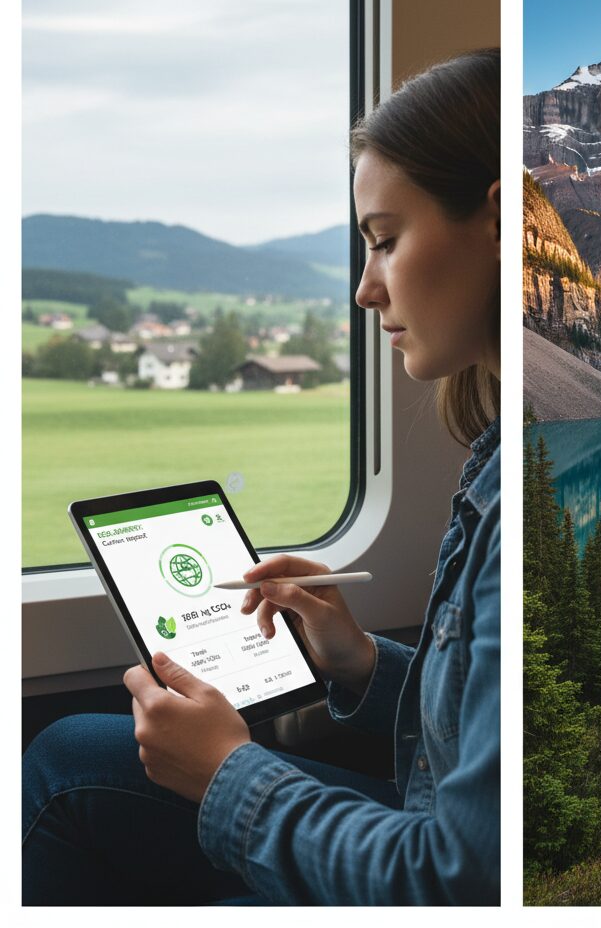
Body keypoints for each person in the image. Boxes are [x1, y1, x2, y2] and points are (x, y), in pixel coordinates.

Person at [22, 48, 501, 905]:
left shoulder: (522, 502)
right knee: (68, 755)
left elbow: (453, 881)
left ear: (498, 222)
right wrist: (360, 662)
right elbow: (481, 745)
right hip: (433, 832)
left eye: (385, 241)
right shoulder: (501, 455)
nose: (364, 290)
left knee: (68, 779)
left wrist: (225, 774)